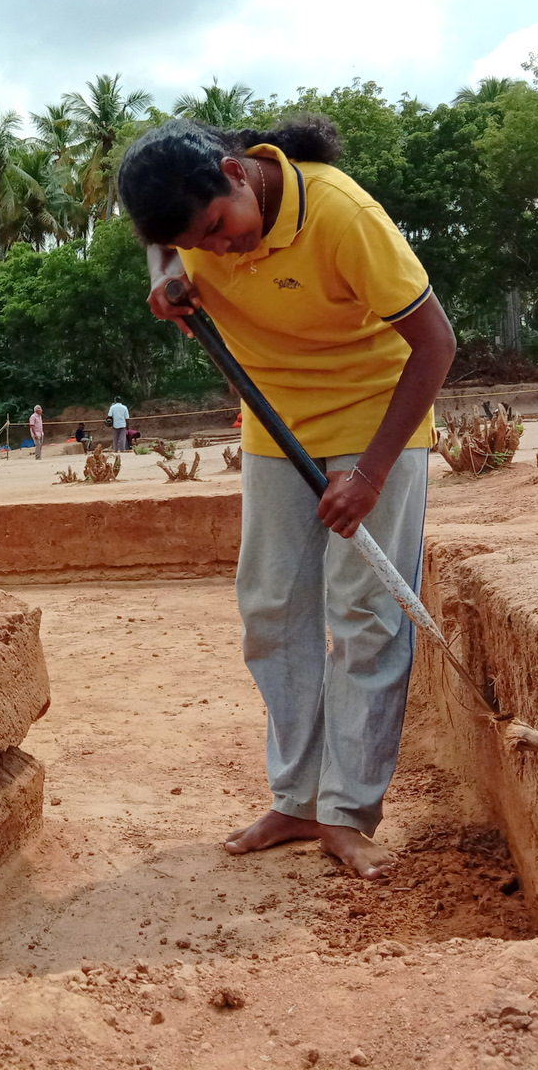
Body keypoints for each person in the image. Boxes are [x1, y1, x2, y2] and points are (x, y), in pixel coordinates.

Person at [119, 115, 456, 880]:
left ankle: (347, 811)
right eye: (197, 245)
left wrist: (369, 474)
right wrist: (162, 278)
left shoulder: (343, 216)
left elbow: (436, 342)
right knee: (271, 610)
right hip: (277, 428)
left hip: (380, 419)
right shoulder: (194, 226)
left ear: (236, 173)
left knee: (366, 614)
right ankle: (297, 798)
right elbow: (167, 241)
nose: (220, 251)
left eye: (218, 229)